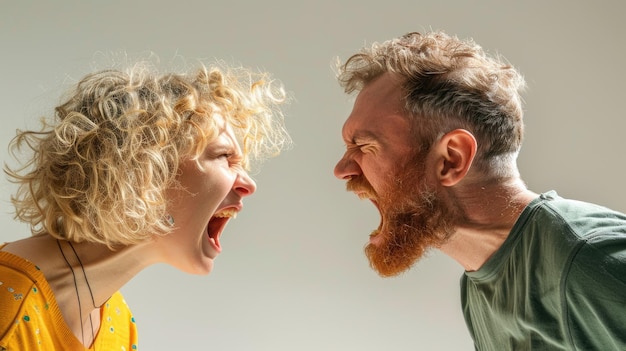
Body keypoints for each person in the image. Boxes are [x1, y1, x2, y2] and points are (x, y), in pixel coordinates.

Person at [333, 31, 626, 350]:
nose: (342, 169)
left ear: (451, 158)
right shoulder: (478, 288)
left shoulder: (588, 259)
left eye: (363, 145)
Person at [0, 61, 290, 350]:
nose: (249, 184)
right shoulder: (9, 309)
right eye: (225, 156)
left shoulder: (117, 321)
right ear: (145, 169)